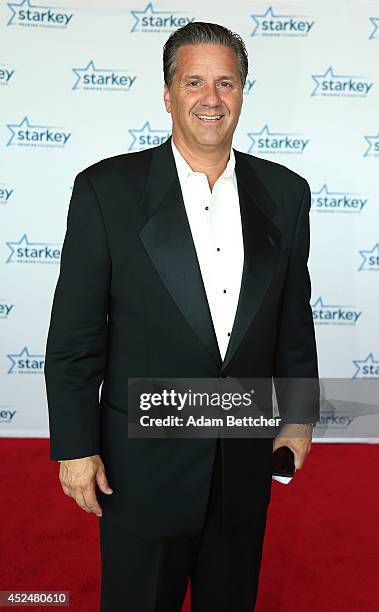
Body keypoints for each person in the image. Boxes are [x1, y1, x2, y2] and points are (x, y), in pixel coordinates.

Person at [44, 22, 319, 611]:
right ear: (168, 95)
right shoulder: (105, 191)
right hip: (140, 468)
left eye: (226, 82)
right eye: (194, 82)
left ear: (243, 93)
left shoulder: (288, 193)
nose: (211, 98)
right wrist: (73, 445)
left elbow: (295, 318)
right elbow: (75, 334)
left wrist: (296, 419)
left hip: (242, 466)